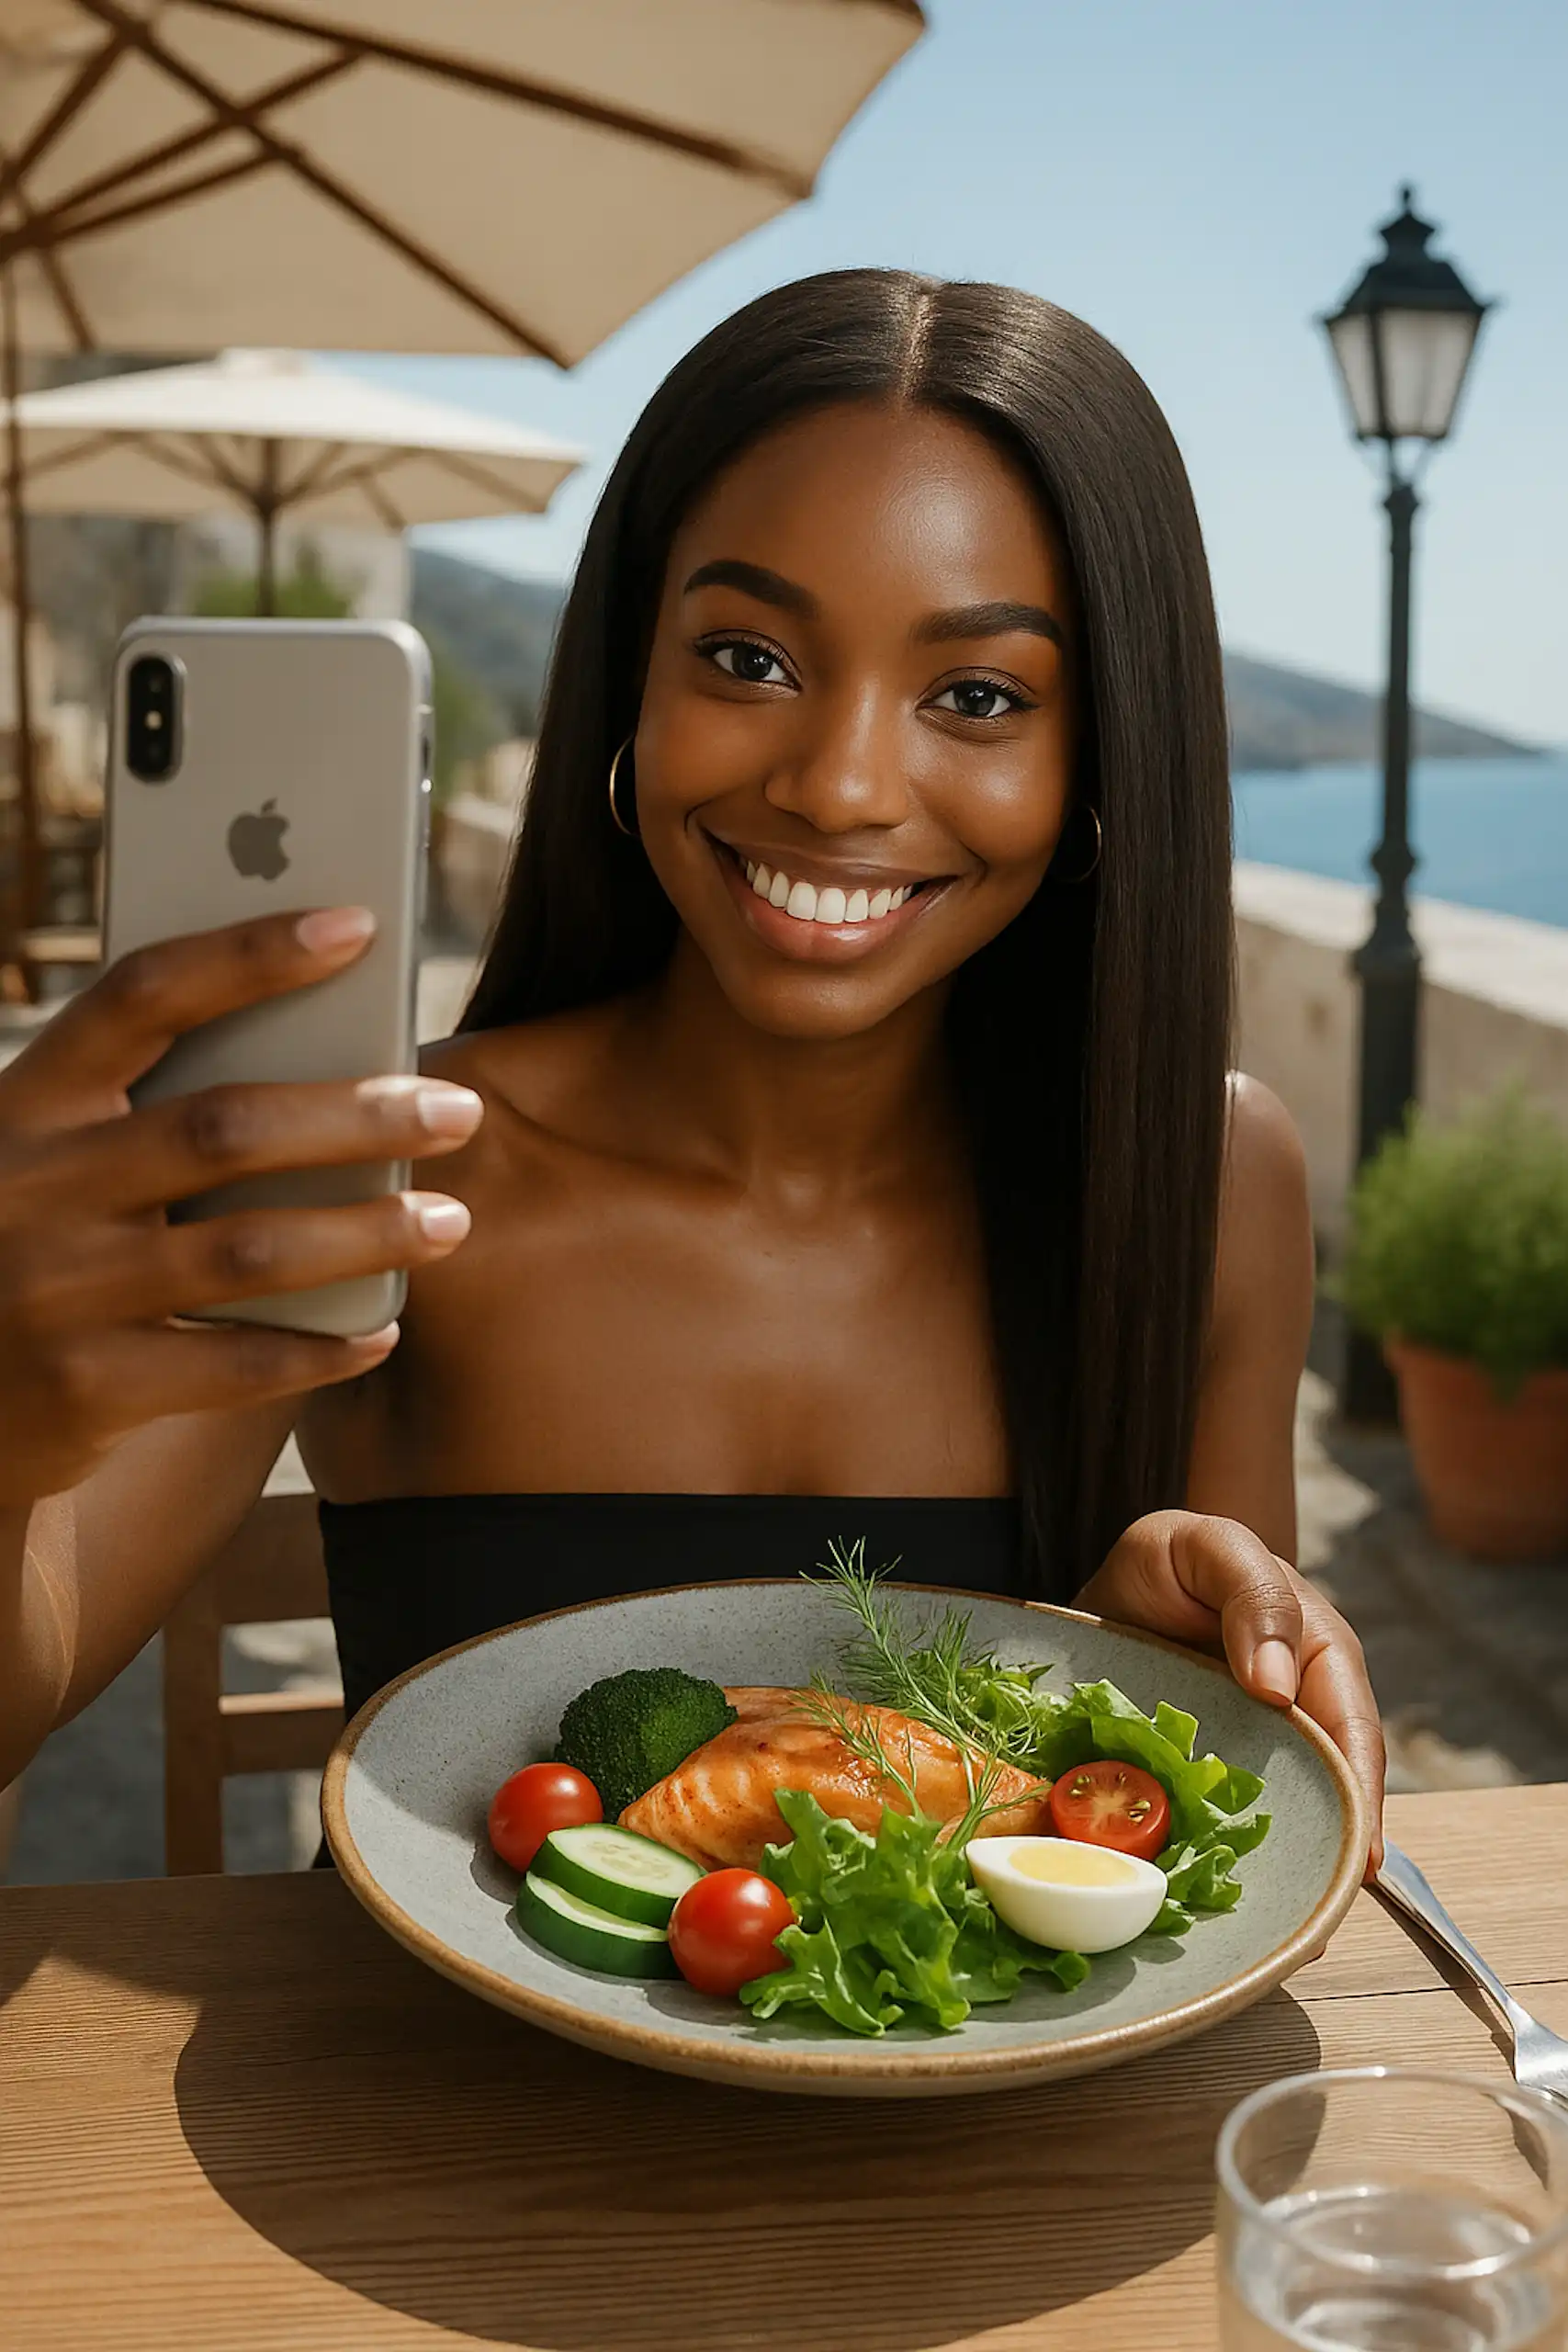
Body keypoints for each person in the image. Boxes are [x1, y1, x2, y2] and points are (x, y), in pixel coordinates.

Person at [0, 270, 1384, 1856]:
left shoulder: (1201, 1186)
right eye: (748, 660)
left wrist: (1140, 1665)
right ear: (628, 684)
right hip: (421, 2107)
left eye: (978, 696)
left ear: (1097, 764)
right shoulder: (383, 1164)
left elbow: (1206, 1834)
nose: (844, 785)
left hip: (996, 2118)